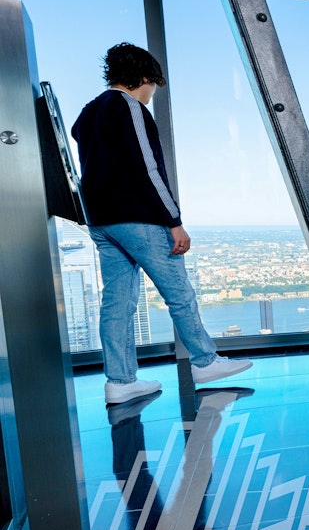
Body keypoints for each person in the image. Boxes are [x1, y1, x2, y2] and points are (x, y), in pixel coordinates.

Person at [72, 43, 252, 405]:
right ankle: (205, 362)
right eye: (152, 85)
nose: (152, 93)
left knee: (117, 303)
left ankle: (120, 382)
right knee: (179, 294)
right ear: (143, 78)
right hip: (139, 219)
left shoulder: (88, 112)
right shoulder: (129, 107)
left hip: (101, 222)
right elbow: (149, 169)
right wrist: (174, 221)